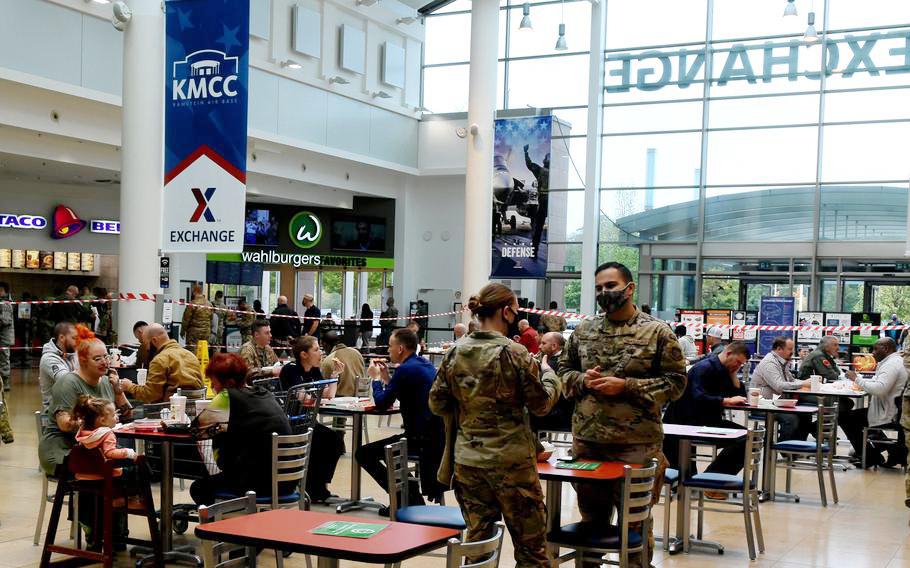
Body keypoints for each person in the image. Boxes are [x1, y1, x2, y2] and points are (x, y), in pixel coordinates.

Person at [560, 262, 686, 566]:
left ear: (629, 288)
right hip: (589, 446)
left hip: (636, 449)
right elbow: (563, 370)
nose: (605, 293)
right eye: (600, 288)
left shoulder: (657, 332)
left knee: (636, 527)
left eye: (611, 286)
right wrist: (581, 380)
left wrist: (627, 387)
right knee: (591, 524)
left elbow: (676, 383)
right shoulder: (584, 330)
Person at [430, 283, 560, 568]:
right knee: (531, 551)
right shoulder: (515, 353)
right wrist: (550, 376)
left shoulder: (455, 352)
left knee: (477, 546)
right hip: (512, 465)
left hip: (469, 463)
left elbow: (437, 403)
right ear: (506, 312)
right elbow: (541, 405)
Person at [358, 328, 446, 514]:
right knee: (391, 451)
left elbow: (382, 403)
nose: (388, 350)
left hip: (419, 439)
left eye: (390, 346)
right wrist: (387, 379)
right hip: (435, 435)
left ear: (400, 348)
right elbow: (404, 391)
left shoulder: (405, 369)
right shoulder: (423, 364)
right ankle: (408, 496)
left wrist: (375, 380)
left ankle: (404, 498)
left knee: (364, 454)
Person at [189, 353, 294, 505]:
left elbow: (196, 431)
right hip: (288, 480)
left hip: (257, 484)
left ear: (229, 382)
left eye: (214, 383)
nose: (212, 388)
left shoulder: (227, 396)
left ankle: (218, 526)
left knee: (199, 487)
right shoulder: (265, 394)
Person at [39, 325, 131, 476]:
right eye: (97, 359)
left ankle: (123, 499)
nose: (105, 362)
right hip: (64, 450)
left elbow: (128, 416)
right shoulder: (68, 383)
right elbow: (65, 425)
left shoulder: (107, 382)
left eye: (106, 357)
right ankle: (113, 500)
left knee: (136, 464)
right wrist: (99, 423)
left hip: (97, 448)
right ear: (83, 361)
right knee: (119, 470)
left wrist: (119, 392)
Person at [663, 343, 751, 490]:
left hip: (706, 420)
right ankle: (710, 482)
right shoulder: (704, 368)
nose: (738, 366)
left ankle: (711, 479)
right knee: (744, 440)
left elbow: (740, 396)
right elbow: (699, 396)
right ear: (728, 353)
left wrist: (733, 373)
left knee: (748, 438)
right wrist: (725, 400)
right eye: (737, 362)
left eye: (741, 364)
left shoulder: (725, 370)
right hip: (687, 422)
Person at [277, 336, 346, 502]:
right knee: (322, 440)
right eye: (316, 349)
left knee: (334, 440)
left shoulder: (314, 370)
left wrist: (335, 375)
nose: (321, 352)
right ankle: (314, 487)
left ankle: (318, 485)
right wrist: (316, 398)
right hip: (292, 422)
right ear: (304, 354)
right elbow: (302, 397)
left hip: (308, 421)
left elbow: (329, 395)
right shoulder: (291, 370)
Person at [841, 337, 908, 468]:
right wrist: (862, 381)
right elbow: (879, 382)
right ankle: (891, 450)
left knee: (845, 418)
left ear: (886, 349)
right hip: (892, 410)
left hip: (887, 414)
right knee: (851, 418)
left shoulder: (891, 365)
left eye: (876, 349)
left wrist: (856, 379)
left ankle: (871, 456)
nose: (873, 353)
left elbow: (880, 389)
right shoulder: (895, 361)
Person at [119, 324, 205, 403]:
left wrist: (129, 386)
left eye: (146, 345)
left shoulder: (160, 360)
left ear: (154, 340)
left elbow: (150, 395)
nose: (147, 349)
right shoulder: (191, 356)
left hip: (169, 412)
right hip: (195, 410)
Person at [751, 336, 812, 442]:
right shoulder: (769, 363)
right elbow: (779, 386)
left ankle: (796, 447)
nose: (792, 352)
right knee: (791, 418)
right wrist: (803, 383)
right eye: (789, 349)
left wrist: (806, 383)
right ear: (779, 349)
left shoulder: (782, 362)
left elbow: (792, 381)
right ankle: (781, 447)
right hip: (764, 405)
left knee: (805, 415)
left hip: (778, 403)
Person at [72, 395, 138, 480]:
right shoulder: (107, 434)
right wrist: (128, 453)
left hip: (84, 475)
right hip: (106, 476)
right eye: (114, 415)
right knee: (137, 467)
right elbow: (109, 452)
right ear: (102, 420)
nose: (117, 417)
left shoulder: (83, 433)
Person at [529, 332, 573, 434]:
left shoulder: (559, 364)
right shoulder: (549, 358)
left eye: (543, 343)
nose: (539, 347)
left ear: (554, 346)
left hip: (553, 416)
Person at [39, 322, 78, 411]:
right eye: (74, 338)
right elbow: (67, 381)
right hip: (55, 412)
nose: (77, 342)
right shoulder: (49, 358)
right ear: (61, 338)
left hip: (72, 407)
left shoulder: (73, 354)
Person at [523, 144, 549, 258]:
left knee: (538, 227)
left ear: (544, 161)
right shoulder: (557, 173)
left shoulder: (540, 170)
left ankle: (534, 252)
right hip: (554, 200)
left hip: (543, 200)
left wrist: (526, 153)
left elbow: (529, 164)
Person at [320, 330, 365, 397]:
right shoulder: (357, 353)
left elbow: (324, 388)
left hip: (338, 401)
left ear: (325, 345)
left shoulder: (329, 360)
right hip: (359, 398)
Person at [181, 285, 212, 353]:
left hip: (194, 331)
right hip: (206, 331)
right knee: (204, 350)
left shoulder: (193, 303)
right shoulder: (209, 304)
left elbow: (186, 319)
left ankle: (193, 363)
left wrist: (183, 331)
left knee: (192, 350)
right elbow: (211, 318)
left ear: (194, 292)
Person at [0, 282, 12, 439]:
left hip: (3, 339)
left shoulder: (5, 302)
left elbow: (5, 320)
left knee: (4, 361)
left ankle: (6, 382)